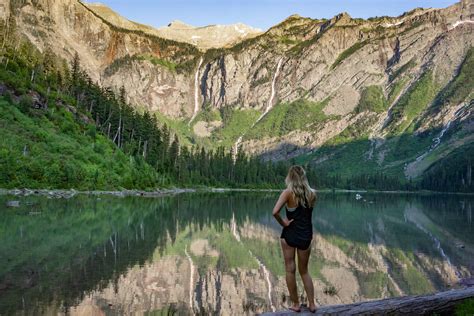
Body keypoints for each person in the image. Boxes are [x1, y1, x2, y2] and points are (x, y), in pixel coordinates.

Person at [272, 165, 317, 313]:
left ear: (290, 178)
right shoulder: (312, 194)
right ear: (304, 177)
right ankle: (312, 304)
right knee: (305, 271)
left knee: (290, 270)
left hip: (290, 235)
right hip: (305, 235)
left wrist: (283, 223)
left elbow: (275, 212)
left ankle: (296, 304)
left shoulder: (287, 193)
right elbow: (306, 217)